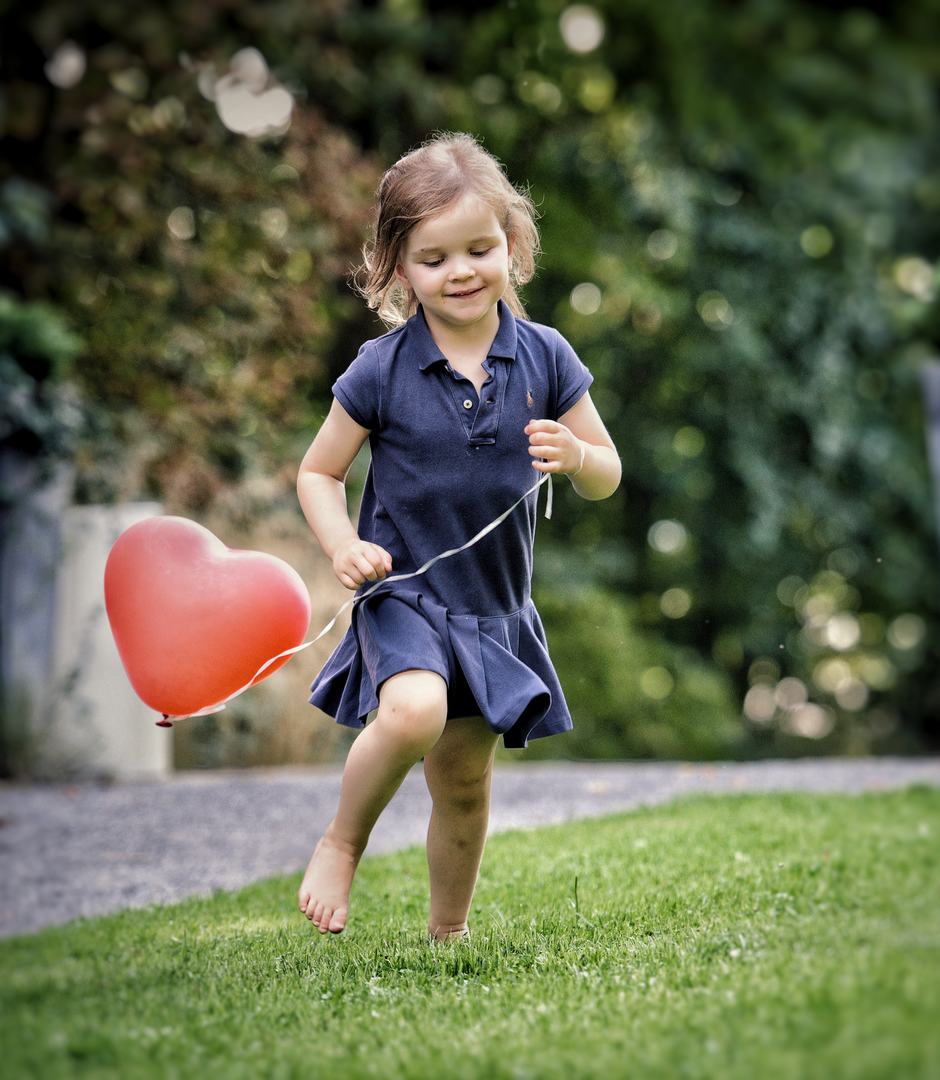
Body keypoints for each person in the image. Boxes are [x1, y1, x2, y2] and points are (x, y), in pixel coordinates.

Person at [295, 133, 621, 939]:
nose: (463, 271)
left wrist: (578, 456)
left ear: (512, 246)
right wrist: (342, 547)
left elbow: (610, 469)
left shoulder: (546, 356)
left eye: (480, 248)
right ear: (399, 269)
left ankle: (449, 932)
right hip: (403, 594)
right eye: (435, 258)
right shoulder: (381, 369)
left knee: (465, 783)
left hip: (492, 609)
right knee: (412, 713)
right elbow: (317, 473)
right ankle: (341, 842)